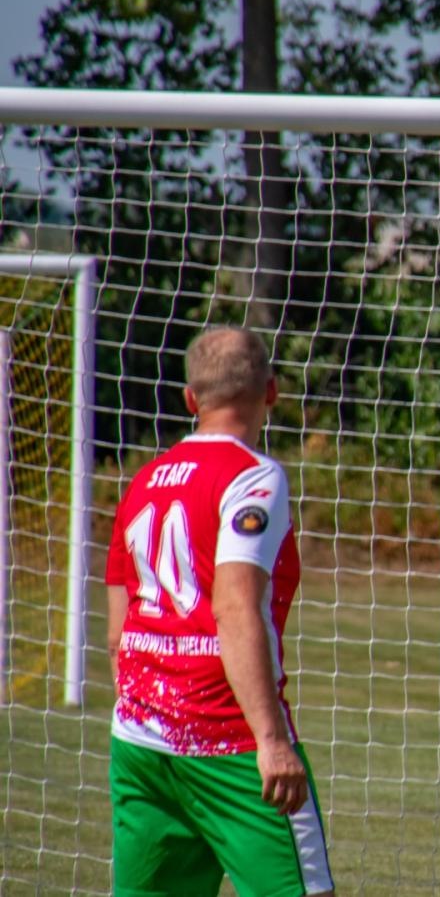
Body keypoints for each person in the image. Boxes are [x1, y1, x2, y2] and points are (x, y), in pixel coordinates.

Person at [105, 326, 334, 897]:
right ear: (272, 392)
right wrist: (271, 741)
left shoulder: (144, 483)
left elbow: (118, 630)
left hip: (140, 740)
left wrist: (151, 708)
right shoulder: (254, 476)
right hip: (226, 741)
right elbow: (234, 609)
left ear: (190, 399)